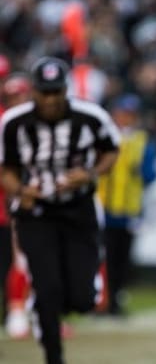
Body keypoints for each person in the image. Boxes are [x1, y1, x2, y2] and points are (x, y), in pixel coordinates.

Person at [0, 56, 120, 364]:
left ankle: (63, 298)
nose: (51, 99)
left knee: (81, 300)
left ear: (65, 89)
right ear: (34, 91)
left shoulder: (90, 116)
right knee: (47, 287)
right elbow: (6, 169)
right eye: (45, 92)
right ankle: (53, 356)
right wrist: (20, 190)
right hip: (36, 212)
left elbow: (111, 151)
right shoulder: (14, 123)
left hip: (78, 209)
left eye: (56, 91)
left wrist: (90, 172)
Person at [96, 93, 156, 316]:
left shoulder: (142, 140)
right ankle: (101, 300)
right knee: (103, 257)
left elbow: (151, 174)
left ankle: (115, 299)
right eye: (123, 113)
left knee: (121, 259)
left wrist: (139, 172)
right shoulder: (105, 137)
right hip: (104, 208)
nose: (126, 118)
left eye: (130, 114)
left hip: (128, 210)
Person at [1, 73, 33, 339]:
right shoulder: (8, 124)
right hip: (11, 199)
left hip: (25, 196)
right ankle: (16, 311)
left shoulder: (27, 123)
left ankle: (27, 311)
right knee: (19, 257)